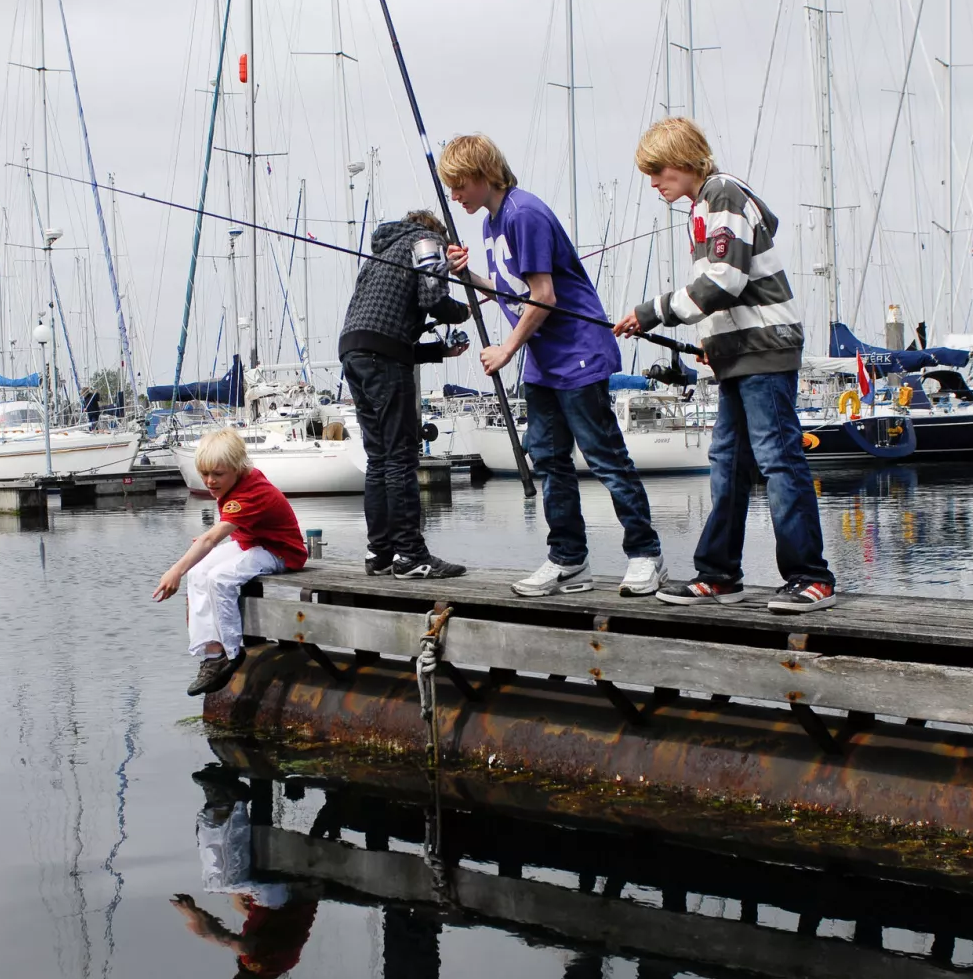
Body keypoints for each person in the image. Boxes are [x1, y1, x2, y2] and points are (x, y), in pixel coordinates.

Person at [616, 116, 835, 613]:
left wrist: (649, 312)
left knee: (778, 460)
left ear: (684, 159)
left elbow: (723, 282)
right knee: (727, 466)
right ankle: (718, 574)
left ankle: (811, 577)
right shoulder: (706, 206)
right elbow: (720, 294)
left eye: (658, 171)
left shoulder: (723, 195)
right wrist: (713, 347)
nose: (654, 183)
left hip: (764, 350)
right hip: (738, 356)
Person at [439, 133, 665, 597]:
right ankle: (568, 558)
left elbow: (544, 297)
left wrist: (505, 350)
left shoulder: (524, 214)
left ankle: (646, 555)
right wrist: (468, 276)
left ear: (483, 175)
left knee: (604, 456)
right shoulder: (491, 223)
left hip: (577, 352)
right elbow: (511, 290)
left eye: (459, 184)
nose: (454, 195)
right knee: (547, 456)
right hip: (544, 360)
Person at [339, 209, 471, 580]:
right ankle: (411, 555)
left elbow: (388, 330)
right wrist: (463, 311)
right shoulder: (426, 242)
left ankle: (380, 553)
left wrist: (438, 352)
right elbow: (433, 299)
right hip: (382, 356)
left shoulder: (381, 254)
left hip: (353, 351)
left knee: (379, 458)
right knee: (400, 458)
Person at [154, 428, 308, 695]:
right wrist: (189, 565)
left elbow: (211, 539)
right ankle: (212, 654)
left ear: (237, 468)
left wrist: (175, 570)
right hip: (251, 542)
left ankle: (232, 653)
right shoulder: (236, 481)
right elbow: (211, 541)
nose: (210, 481)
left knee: (219, 578)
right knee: (199, 571)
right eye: (205, 474)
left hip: (280, 551)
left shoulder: (250, 494)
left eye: (218, 474)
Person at [173, 764, 319, 979]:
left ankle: (217, 805)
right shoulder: (256, 964)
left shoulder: (273, 967)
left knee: (223, 883)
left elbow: (267, 927)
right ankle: (233, 803)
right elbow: (234, 942)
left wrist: (240, 909)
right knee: (226, 881)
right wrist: (199, 923)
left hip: (283, 900)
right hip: (292, 895)